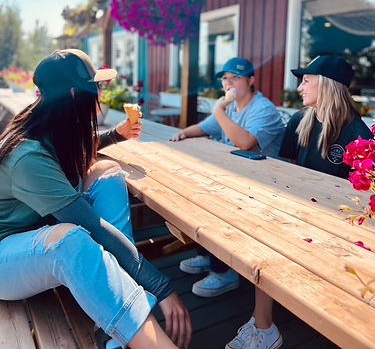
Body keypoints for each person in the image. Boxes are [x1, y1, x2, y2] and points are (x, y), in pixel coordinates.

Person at [0, 49, 192, 349]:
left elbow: (77, 145)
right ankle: (148, 335)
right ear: (76, 94)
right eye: (97, 87)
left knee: (107, 173)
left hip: (33, 233)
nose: (101, 94)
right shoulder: (27, 155)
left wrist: (118, 134)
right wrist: (162, 286)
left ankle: (122, 323)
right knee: (70, 239)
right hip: (7, 259)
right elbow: (94, 227)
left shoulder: (46, 121)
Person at [225, 55, 372, 349]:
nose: (300, 87)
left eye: (307, 80)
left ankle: (264, 329)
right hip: (299, 215)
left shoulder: (358, 134)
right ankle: (256, 315)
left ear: (328, 86)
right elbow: (287, 170)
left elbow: (363, 199)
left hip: (337, 229)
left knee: (267, 233)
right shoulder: (299, 121)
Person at [171, 57, 285, 298]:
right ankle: (207, 254)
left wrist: (218, 109)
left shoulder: (263, 109)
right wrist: (183, 134)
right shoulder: (231, 108)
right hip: (236, 179)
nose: (229, 83)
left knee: (213, 199)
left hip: (266, 187)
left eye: (236, 78)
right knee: (194, 188)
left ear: (251, 80)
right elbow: (204, 127)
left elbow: (245, 143)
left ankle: (225, 271)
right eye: (226, 78)